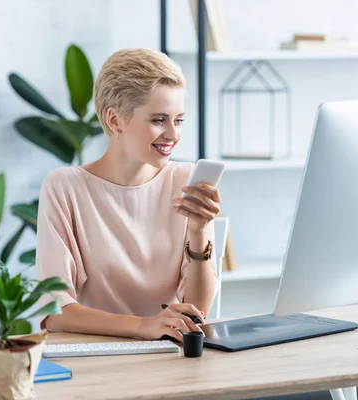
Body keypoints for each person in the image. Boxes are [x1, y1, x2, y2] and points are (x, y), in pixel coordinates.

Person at [35, 48, 220, 342]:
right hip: (96, 355)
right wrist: (145, 326)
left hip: (168, 354)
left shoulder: (186, 181)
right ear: (115, 120)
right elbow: (55, 312)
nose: (173, 134)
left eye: (179, 120)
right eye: (159, 120)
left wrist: (198, 233)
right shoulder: (65, 187)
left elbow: (197, 311)